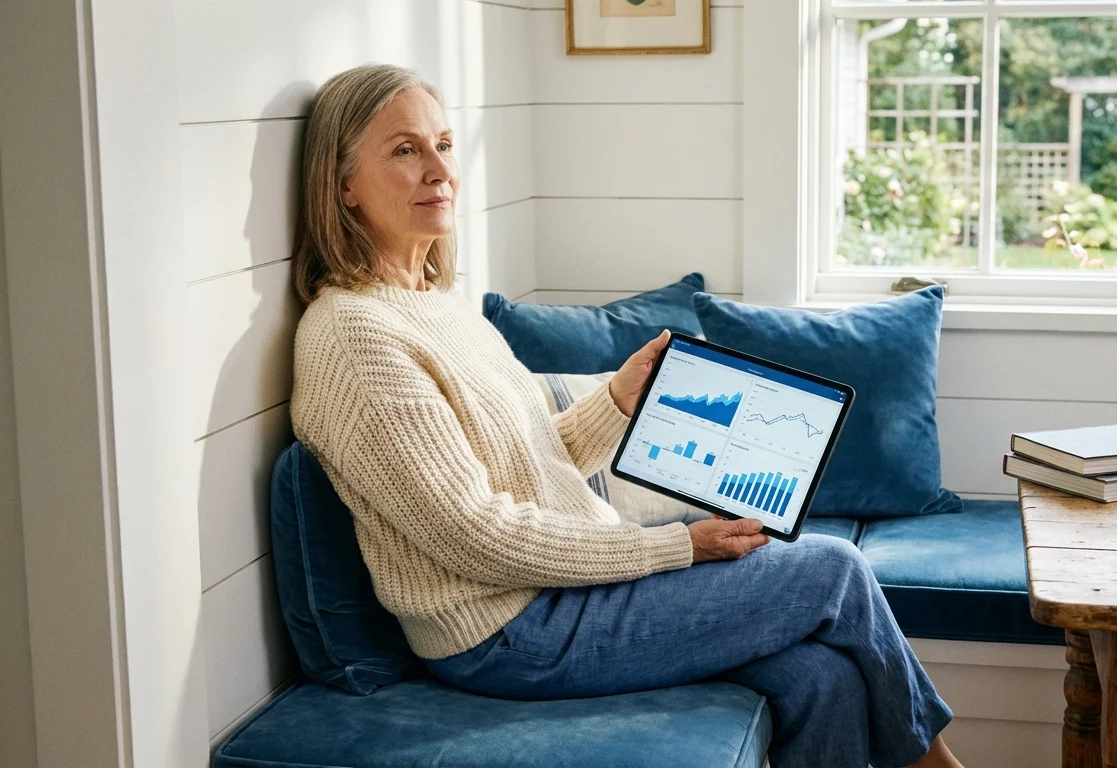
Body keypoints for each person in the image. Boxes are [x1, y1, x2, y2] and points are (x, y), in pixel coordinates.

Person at [289, 63, 962, 768]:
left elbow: (526, 463)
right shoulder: (356, 338)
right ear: (342, 185)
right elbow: (474, 536)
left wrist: (615, 403)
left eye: (445, 144)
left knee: (822, 677)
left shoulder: (435, 305)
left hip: (555, 595)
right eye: (405, 150)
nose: (439, 170)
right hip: (506, 632)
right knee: (834, 568)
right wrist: (679, 546)